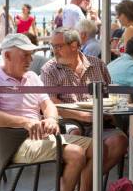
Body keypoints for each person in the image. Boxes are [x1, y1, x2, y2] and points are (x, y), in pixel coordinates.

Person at [0, 33, 93, 191]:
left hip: (41, 137)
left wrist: (50, 118)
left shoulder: (32, 77)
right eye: (24, 55)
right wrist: (24, 122)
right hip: (17, 143)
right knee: (75, 153)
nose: (30, 60)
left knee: (97, 147)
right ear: (7, 56)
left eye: (30, 55)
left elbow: (47, 103)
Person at [40, 28, 128, 180]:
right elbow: (51, 104)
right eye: (52, 46)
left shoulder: (98, 64)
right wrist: (82, 116)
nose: (54, 51)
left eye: (58, 46)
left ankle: (84, 183)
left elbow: (109, 95)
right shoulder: (49, 69)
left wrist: (108, 113)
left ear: (74, 45)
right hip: (68, 124)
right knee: (77, 136)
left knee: (120, 141)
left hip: (99, 123)